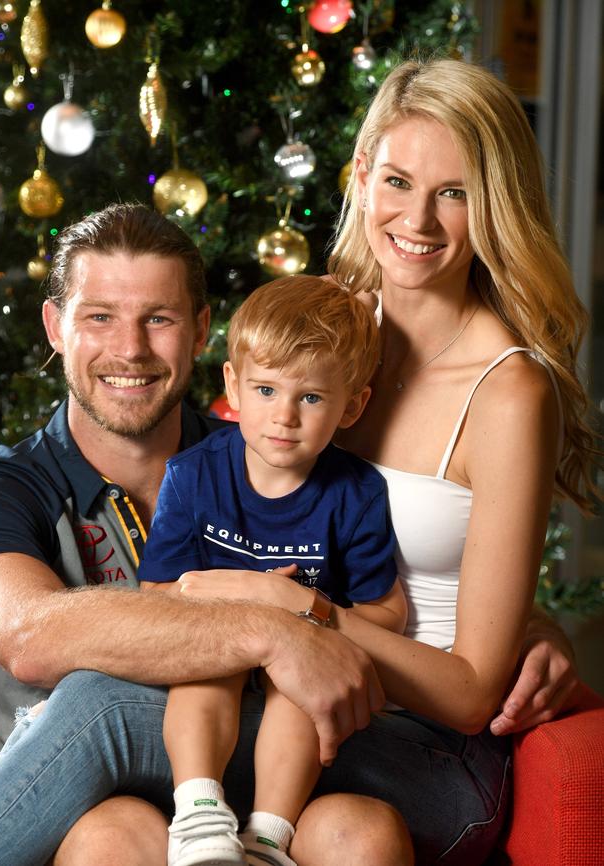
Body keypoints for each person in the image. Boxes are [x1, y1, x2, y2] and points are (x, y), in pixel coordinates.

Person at [0, 175, 581, 866]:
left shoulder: (268, 449)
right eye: (99, 317)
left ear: (199, 334)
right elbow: (27, 633)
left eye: (158, 319)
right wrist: (276, 630)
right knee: (107, 787)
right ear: (55, 329)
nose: (129, 349)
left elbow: (401, 569)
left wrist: (527, 625)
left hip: (277, 770)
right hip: (94, 799)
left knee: (353, 830)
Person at [168, 56, 600, 863]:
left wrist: (292, 612)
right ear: (362, 175)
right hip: (282, 695)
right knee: (127, 808)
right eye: (399, 180)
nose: (420, 221)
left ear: (494, 206)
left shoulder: (509, 394)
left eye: (455, 193)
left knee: (108, 723)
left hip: (428, 738)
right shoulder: (318, 331)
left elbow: (474, 692)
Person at [138, 276, 407, 866]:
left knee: (300, 686)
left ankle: (266, 839)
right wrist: (237, 619)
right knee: (205, 667)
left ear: (352, 405)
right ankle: (200, 816)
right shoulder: (192, 475)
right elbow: (155, 592)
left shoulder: (357, 492)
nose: (283, 416)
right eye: (265, 389)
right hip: (216, 648)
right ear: (232, 385)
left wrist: (305, 617)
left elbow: (389, 610)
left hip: (306, 661)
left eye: (310, 398)